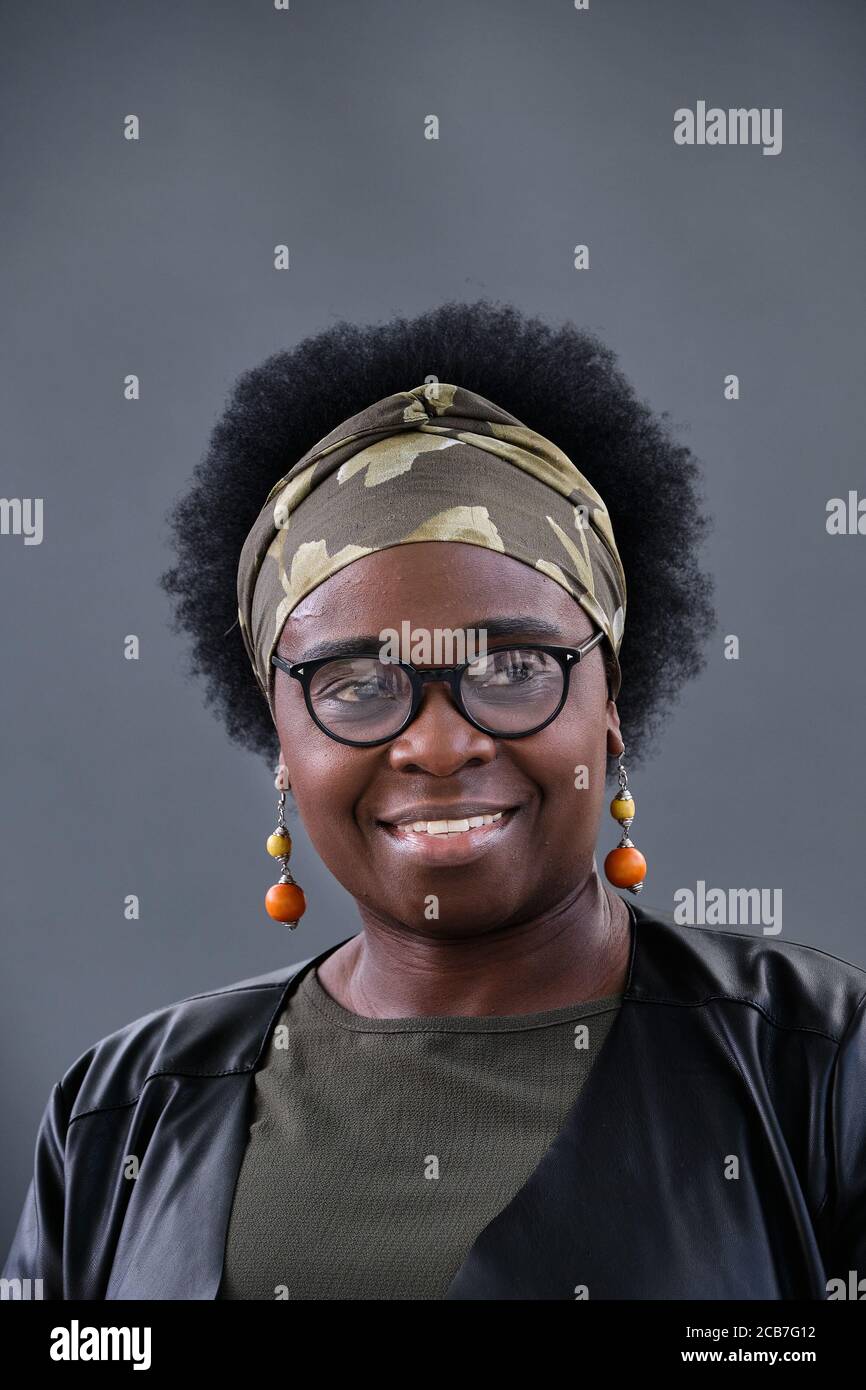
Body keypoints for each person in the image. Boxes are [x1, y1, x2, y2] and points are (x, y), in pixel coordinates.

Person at [4, 302, 864, 1301]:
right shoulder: (122, 1110)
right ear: (281, 735)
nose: (438, 742)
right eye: (357, 685)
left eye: (511, 667)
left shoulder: (819, 1066)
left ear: (609, 703)